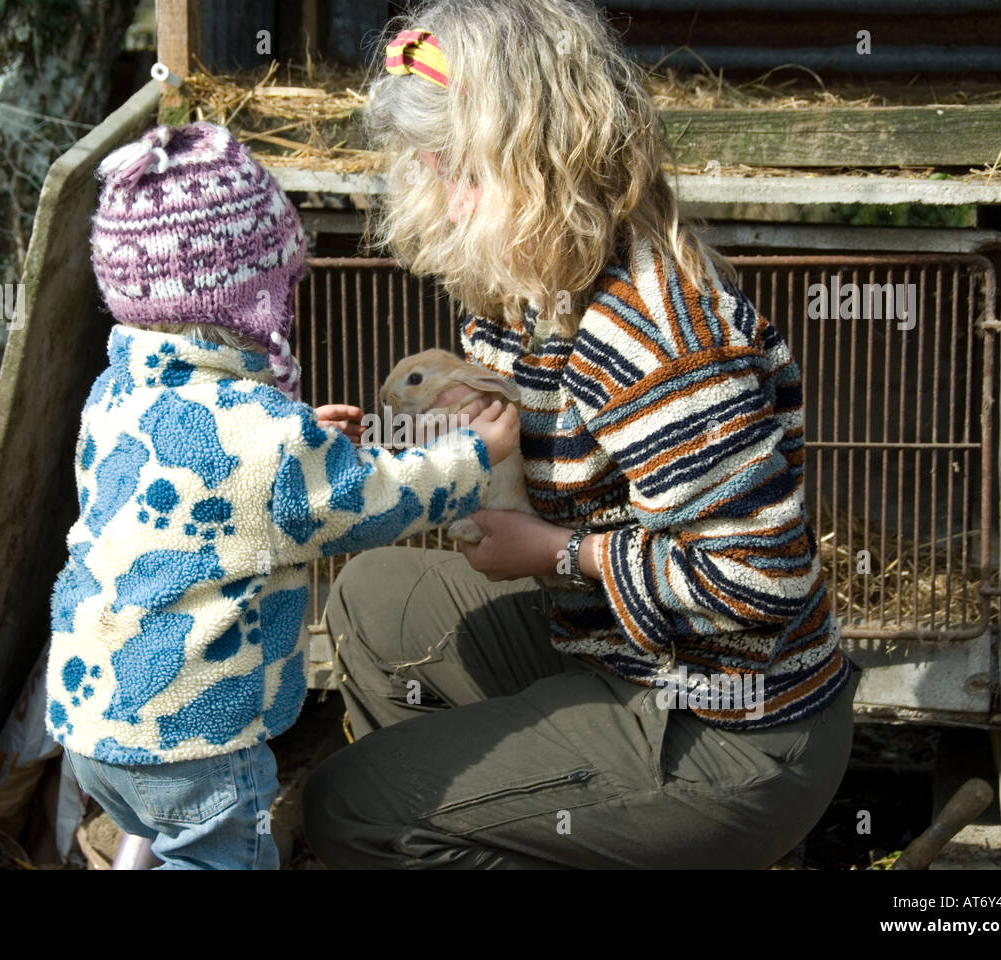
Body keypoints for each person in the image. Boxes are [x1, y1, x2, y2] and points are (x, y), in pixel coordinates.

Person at [302, 0, 862, 869]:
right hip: (613, 649)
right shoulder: (526, 290)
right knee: (376, 602)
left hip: (727, 722)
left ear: (544, 161)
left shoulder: (655, 339)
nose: (441, 196)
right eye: (429, 164)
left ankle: (509, 822)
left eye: (464, 169)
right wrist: (439, 450)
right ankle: (525, 819)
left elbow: (762, 581)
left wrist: (560, 554)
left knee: (350, 807)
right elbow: (538, 456)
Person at [44, 121, 519, 869]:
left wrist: (300, 439)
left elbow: (215, 486)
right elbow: (372, 498)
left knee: (167, 845)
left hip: (93, 723)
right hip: (194, 737)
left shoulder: (116, 393)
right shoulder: (259, 440)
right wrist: (469, 458)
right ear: (254, 294)